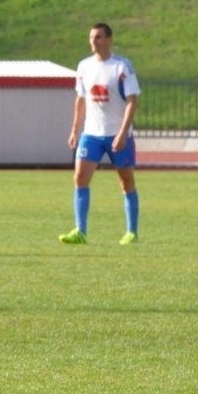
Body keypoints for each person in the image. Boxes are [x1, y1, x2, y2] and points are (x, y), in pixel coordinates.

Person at [60, 22, 140, 245]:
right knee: (80, 178)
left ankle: (131, 231)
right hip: (92, 133)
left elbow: (133, 101)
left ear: (109, 40)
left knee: (126, 181)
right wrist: (75, 129)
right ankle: (80, 231)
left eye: (98, 37)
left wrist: (123, 133)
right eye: (91, 37)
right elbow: (81, 99)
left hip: (117, 134)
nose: (93, 41)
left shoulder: (122, 67)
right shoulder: (84, 66)